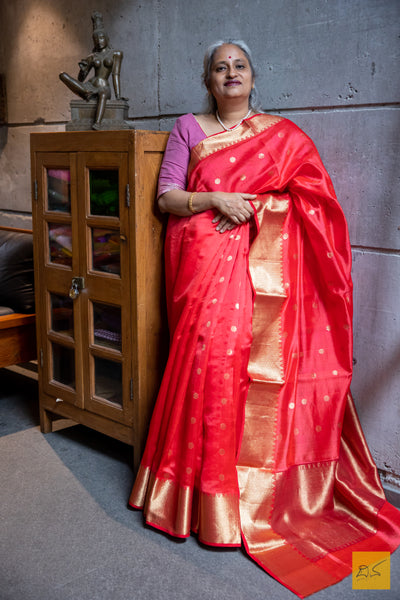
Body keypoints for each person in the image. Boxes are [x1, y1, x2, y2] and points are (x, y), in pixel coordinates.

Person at [129, 40, 400, 597]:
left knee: (240, 376)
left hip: (261, 268)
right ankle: (198, 501)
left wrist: (258, 208)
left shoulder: (283, 136)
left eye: (240, 66)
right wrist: (217, 199)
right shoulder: (188, 128)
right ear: (207, 80)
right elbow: (166, 199)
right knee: (204, 368)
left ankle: (244, 498)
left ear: (253, 78)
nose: (230, 73)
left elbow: (314, 203)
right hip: (202, 260)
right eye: (220, 67)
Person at [59, 11, 123, 130]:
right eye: (96, 39)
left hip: (103, 87)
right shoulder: (92, 56)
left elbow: (116, 75)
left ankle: (97, 123)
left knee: (103, 93)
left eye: (102, 37)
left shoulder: (116, 54)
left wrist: (118, 96)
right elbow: (81, 79)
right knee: (63, 75)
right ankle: (88, 94)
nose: (99, 41)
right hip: (89, 86)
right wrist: (82, 69)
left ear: (107, 38)